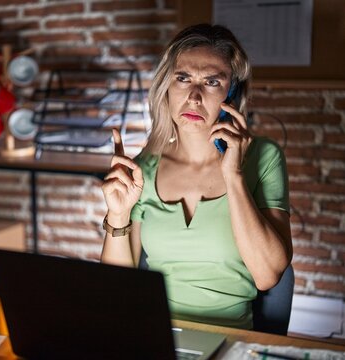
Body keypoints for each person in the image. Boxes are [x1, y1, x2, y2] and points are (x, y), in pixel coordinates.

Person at [100, 23, 292, 329]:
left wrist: (234, 174)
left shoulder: (263, 157)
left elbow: (268, 275)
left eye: (212, 81)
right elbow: (117, 290)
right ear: (167, 86)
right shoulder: (143, 169)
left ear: (232, 92)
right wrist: (118, 214)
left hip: (230, 340)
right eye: (183, 78)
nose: (194, 96)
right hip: (156, 335)